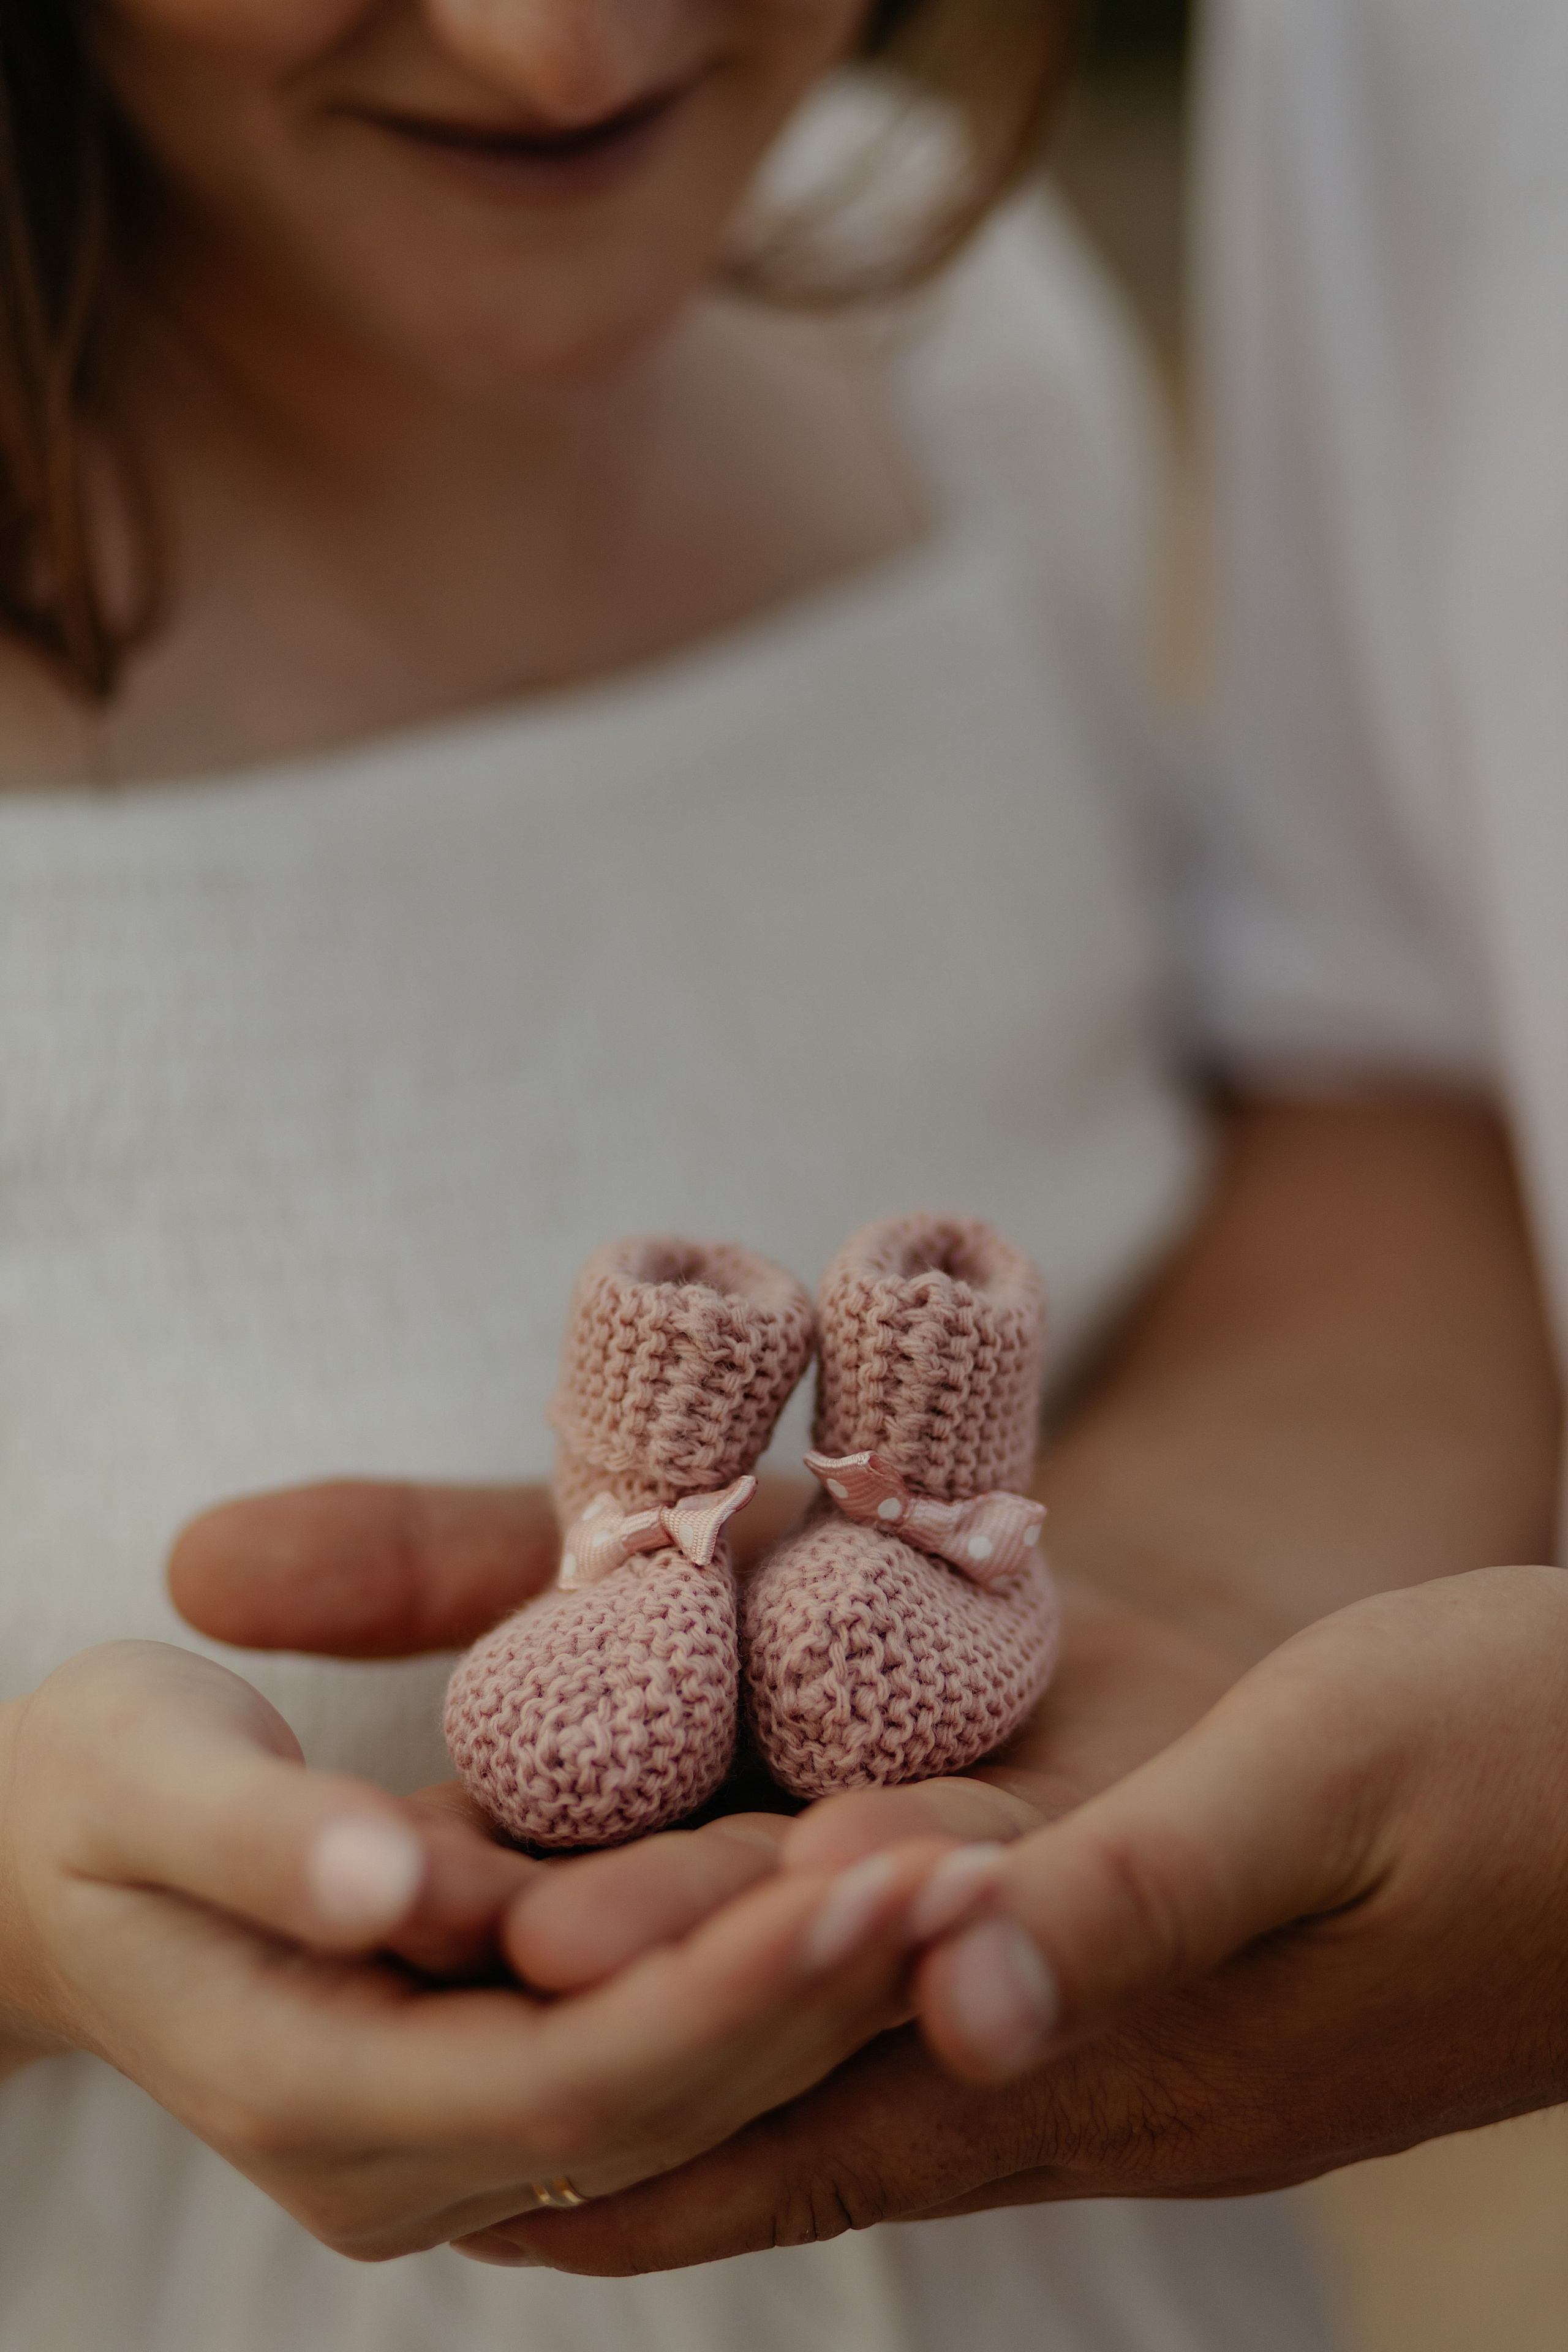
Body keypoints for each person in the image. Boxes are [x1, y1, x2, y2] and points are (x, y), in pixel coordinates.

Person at [184, 0, 1568, 2282]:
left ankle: (901, 1511)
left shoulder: (956, 326)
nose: (556, 49)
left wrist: (1222, 1574)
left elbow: (1387, 1051)